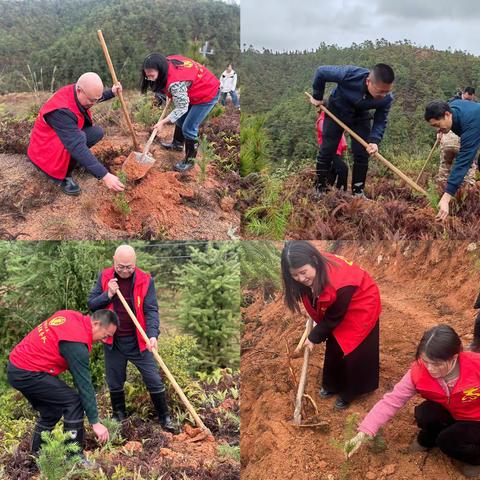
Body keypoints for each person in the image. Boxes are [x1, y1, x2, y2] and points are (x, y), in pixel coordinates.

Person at [345, 325, 480, 478]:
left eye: (436, 364)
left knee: (448, 441)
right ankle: (428, 440)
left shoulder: (476, 366)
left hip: (475, 419)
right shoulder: (417, 373)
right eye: (425, 361)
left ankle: (474, 459)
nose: (430, 368)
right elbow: (391, 400)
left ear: (454, 357)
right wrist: (364, 432)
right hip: (448, 412)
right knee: (425, 414)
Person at [281, 241, 381, 410]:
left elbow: (334, 317)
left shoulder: (339, 283)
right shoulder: (314, 272)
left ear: (314, 260)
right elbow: (324, 309)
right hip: (339, 303)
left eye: (303, 272)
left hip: (362, 304)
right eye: (295, 275)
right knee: (334, 345)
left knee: (353, 350)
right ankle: (332, 385)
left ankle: (351, 392)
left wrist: (313, 338)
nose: (300, 279)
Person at [7, 309, 118, 460]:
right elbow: (84, 385)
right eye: (106, 336)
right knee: (73, 402)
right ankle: (74, 458)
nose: (105, 340)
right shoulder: (76, 343)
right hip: (27, 372)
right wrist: (95, 422)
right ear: (96, 324)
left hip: (17, 366)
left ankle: (36, 456)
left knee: (51, 411)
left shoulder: (70, 315)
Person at [87, 244, 175, 432]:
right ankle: (119, 417)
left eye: (129, 267)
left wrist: (152, 335)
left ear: (135, 263)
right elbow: (92, 304)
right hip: (113, 342)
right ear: (114, 261)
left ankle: (165, 418)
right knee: (114, 381)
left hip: (139, 341)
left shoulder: (145, 280)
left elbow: (151, 310)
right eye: (121, 267)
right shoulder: (105, 277)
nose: (125, 271)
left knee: (153, 379)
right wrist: (108, 294)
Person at [27, 72, 125, 195]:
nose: (93, 104)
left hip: (60, 137)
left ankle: (75, 161)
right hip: (44, 150)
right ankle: (64, 176)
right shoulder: (61, 111)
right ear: (79, 91)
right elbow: (76, 146)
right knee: (80, 140)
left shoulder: (77, 91)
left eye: (96, 100)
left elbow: (93, 97)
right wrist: (105, 175)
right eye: (91, 100)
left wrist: (111, 92)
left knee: (97, 132)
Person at [309, 63, 395, 197]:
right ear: (368, 82)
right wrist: (317, 96)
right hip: (337, 111)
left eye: (387, 91)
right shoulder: (350, 74)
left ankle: (358, 191)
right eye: (380, 92)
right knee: (327, 150)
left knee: (362, 153)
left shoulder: (387, 98)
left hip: (360, 116)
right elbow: (321, 72)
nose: (384, 95)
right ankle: (320, 187)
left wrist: (374, 140)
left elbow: (380, 120)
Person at [140, 53, 220, 172]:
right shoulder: (167, 62)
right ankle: (177, 144)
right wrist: (170, 94)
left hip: (207, 93)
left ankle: (189, 161)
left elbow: (182, 107)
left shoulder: (175, 83)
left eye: (152, 76)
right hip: (194, 89)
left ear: (160, 70)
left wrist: (163, 122)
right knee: (180, 119)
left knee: (189, 127)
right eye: (148, 76)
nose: (150, 79)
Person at [425, 100, 480, 221]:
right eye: (434, 126)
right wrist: (441, 129)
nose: (437, 129)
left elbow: (463, 162)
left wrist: (446, 197)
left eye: (437, 125)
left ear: (447, 114)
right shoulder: (452, 107)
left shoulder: (471, 123)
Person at [316, 110, 348, 191]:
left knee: (332, 173)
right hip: (331, 151)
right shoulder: (323, 120)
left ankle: (328, 192)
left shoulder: (334, 119)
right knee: (343, 169)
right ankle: (340, 192)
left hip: (337, 151)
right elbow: (327, 132)